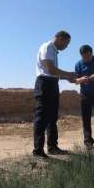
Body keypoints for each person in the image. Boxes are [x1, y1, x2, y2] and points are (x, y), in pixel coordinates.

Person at [33, 30, 76, 158]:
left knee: (52, 117)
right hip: (45, 85)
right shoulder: (47, 47)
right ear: (60, 38)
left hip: (52, 84)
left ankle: (52, 147)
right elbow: (50, 70)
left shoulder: (53, 51)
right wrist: (69, 74)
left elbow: (53, 73)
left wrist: (67, 78)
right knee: (41, 118)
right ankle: (38, 151)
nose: (66, 47)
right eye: (66, 43)